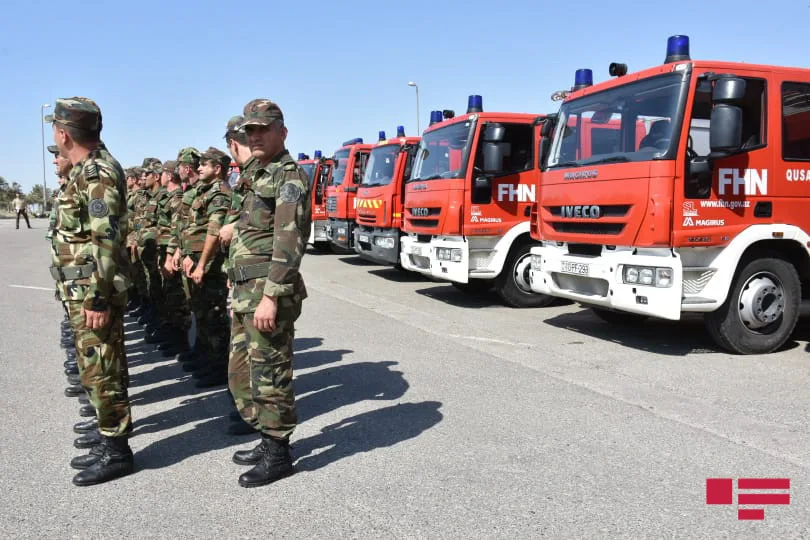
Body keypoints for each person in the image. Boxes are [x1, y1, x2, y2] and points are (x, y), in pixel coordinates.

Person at [46, 96, 134, 486]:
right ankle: (105, 434)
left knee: (104, 366)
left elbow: (106, 239)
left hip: (92, 290)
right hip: (80, 288)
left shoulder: (98, 172)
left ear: (63, 133)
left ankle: (116, 450)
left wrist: (98, 296)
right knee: (95, 366)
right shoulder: (85, 170)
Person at [227, 99, 311, 488]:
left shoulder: (288, 177)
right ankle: (266, 436)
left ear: (282, 132)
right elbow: (247, 234)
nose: (255, 136)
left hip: (267, 293)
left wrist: (271, 296)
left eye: (263, 129)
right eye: (250, 131)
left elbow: (288, 242)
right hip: (247, 290)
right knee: (243, 373)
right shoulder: (256, 173)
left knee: (271, 373)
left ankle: (278, 451)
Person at [220, 115, 262, 436]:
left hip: (261, 284)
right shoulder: (246, 179)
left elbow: (282, 235)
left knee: (262, 361)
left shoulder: (266, 177)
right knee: (240, 359)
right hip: (242, 280)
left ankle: (266, 430)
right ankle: (249, 412)